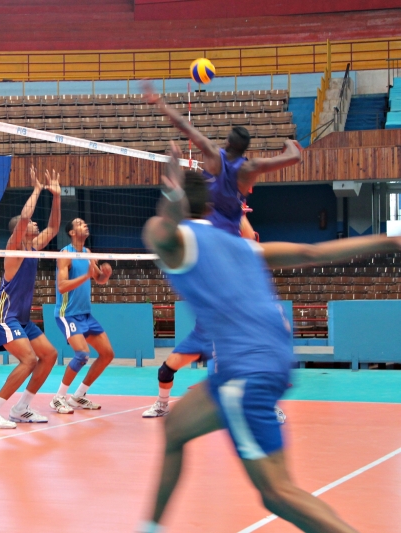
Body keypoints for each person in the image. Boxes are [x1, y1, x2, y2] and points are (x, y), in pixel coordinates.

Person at [136, 142, 396, 533]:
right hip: (264, 362)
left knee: (277, 493)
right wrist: (389, 242)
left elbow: (162, 228)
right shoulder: (244, 247)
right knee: (174, 430)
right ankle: (149, 527)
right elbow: (311, 253)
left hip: (245, 370)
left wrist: (170, 191)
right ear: (209, 207)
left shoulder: (174, 242)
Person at [142, 82, 303, 419]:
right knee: (255, 319)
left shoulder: (213, 159)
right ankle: (253, 393)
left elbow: (185, 128)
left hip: (205, 250)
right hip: (230, 253)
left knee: (233, 322)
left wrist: (159, 103)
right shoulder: (249, 168)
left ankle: (236, 387)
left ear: (227, 142)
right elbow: (293, 157)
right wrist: (292, 144)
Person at [0, 166, 61, 429]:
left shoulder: (35, 248)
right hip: (2, 314)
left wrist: (56, 197)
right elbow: (25, 219)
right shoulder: (13, 249)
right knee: (29, 360)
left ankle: (21, 407)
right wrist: (37, 190)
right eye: (30, 224)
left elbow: (54, 226)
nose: (36, 225)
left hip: (22, 318)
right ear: (21, 230)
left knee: (49, 355)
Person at [49, 218, 114, 414]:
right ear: (71, 232)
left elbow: (99, 280)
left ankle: (79, 396)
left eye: (86, 223)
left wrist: (105, 275)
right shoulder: (65, 254)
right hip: (67, 314)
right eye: (80, 224)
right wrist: (85, 277)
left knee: (107, 354)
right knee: (82, 354)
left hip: (86, 315)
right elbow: (62, 286)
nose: (85, 225)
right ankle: (58, 397)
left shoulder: (88, 254)